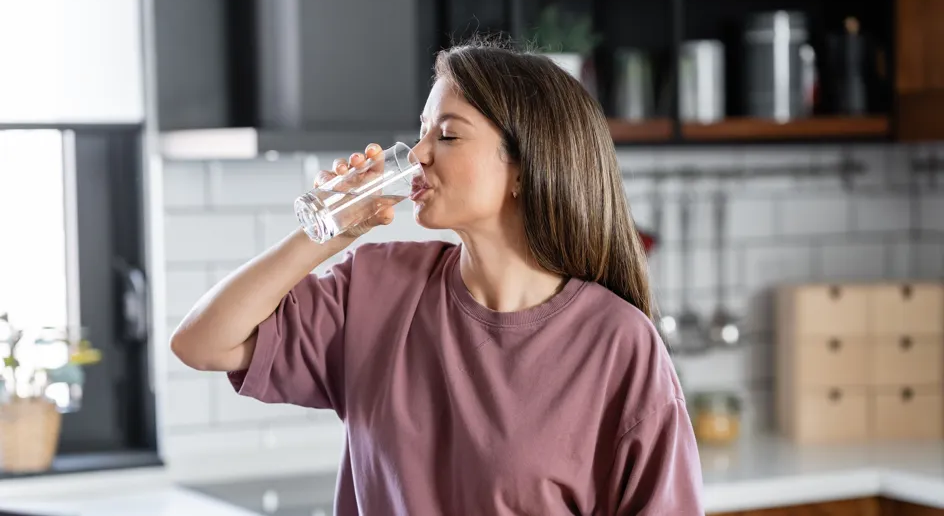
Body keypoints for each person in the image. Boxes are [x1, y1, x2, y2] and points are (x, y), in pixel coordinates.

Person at [171, 39, 703, 515]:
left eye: (447, 136)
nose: (419, 155)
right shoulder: (377, 288)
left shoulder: (617, 343)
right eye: (422, 132)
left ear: (522, 167)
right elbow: (202, 343)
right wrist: (329, 230)